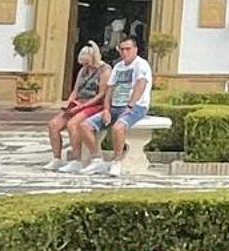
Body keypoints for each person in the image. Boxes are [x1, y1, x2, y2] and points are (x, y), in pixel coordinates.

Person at [68, 35, 153, 177]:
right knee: (84, 126)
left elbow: (141, 84)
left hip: (135, 107)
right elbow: (109, 90)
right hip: (115, 106)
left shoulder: (141, 65)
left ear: (135, 49)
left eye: (128, 49)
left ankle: (117, 161)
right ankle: (97, 159)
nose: (125, 52)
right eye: (122, 49)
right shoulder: (118, 66)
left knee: (118, 127)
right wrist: (107, 109)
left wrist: (130, 105)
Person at [48, 44, 110, 170]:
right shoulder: (83, 70)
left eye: (87, 62)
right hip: (79, 102)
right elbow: (76, 90)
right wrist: (71, 102)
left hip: (95, 104)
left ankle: (77, 159)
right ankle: (57, 158)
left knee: (73, 124)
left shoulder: (105, 70)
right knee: (54, 124)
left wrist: (82, 106)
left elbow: (101, 95)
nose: (85, 65)